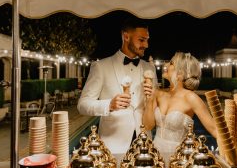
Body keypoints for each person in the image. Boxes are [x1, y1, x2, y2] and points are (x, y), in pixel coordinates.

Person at [77, 17, 157, 154]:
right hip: (112, 146)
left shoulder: (150, 68)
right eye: (141, 40)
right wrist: (109, 105)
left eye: (147, 39)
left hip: (144, 145)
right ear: (126, 36)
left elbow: (153, 105)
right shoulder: (101, 67)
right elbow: (82, 105)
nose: (146, 45)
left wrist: (152, 98)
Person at [143, 52, 217, 154]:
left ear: (180, 73)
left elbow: (214, 129)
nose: (166, 65)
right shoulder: (158, 94)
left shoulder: (191, 98)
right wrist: (149, 100)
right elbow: (147, 126)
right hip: (156, 156)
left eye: (171, 63)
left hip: (180, 158)